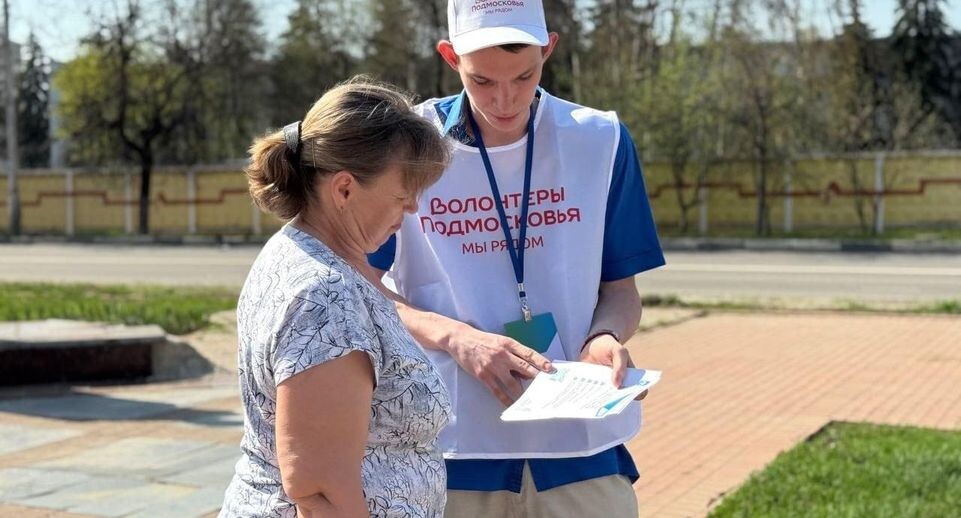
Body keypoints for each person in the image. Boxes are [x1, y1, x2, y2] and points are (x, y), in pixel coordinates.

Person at [367, 1, 666, 516]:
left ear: (548, 50)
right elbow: (362, 285)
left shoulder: (599, 140)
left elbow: (621, 291)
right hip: (450, 450)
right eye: (482, 81)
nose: (504, 100)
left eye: (523, 76)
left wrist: (605, 337)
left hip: (581, 449)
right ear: (449, 57)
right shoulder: (406, 146)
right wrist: (456, 338)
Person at [219, 78, 452, 518]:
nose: (413, 210)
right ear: (344, 189)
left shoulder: (306, 253)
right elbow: (319, 488)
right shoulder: (325, 293)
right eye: (403, 195)